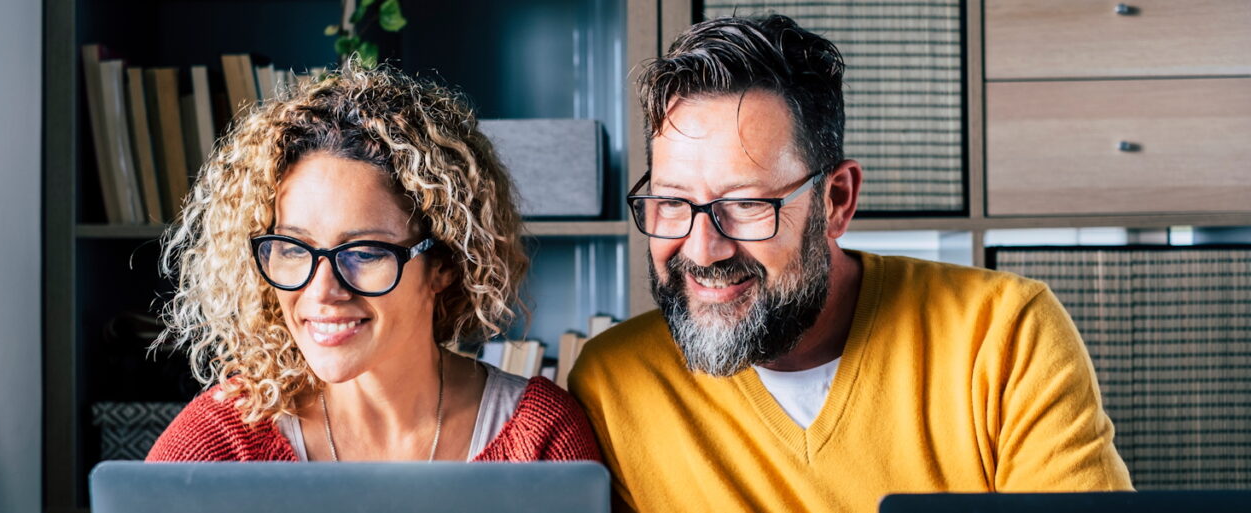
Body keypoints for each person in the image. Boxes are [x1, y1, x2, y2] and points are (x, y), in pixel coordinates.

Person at [568, 15, 1131, 512]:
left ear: (836, 201)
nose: (701, 248)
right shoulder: (613, 381)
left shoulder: (1003, 334)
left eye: (745, 205)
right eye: (671, 203)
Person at [147, 63, 599, 463]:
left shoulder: (539, 436)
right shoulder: (222, 441)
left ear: (442, 264)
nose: (322, 291)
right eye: (292, 248)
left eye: (363, 252)